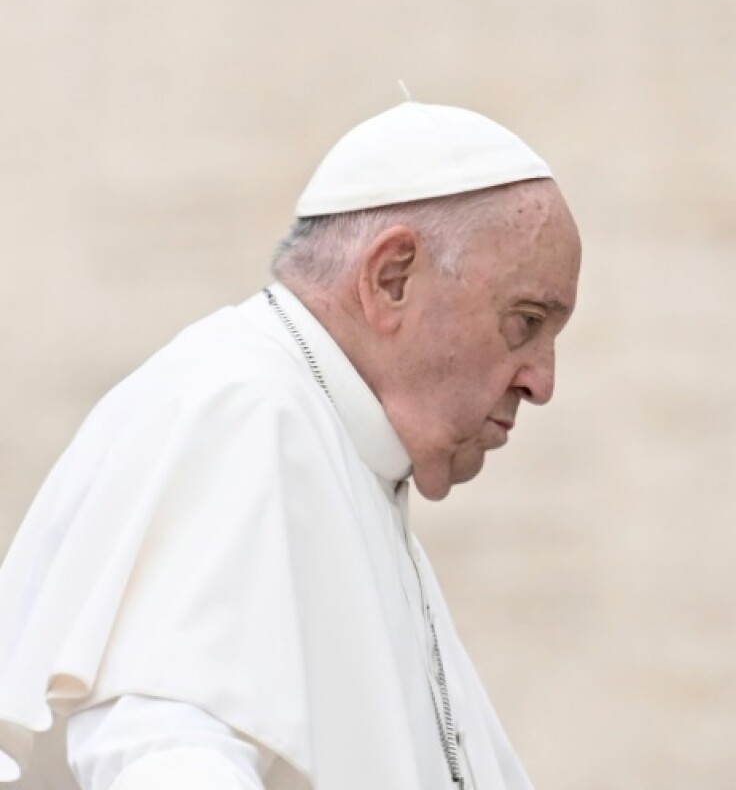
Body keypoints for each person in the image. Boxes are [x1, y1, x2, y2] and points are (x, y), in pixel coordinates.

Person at [0, 99, 581, 790]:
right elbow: (167, 754)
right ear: (392, 277)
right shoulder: (242, 413)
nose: (542, 381)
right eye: (526, 321)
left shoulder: (339, 448)